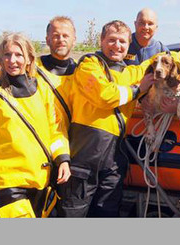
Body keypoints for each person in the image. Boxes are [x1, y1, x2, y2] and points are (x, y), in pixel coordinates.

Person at [57, 20, 153, 217]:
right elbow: (105, 95)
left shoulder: (130, 72)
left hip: (114, 158)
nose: (117, 46)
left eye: (122, 42)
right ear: (101, 41)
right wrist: (138, 90)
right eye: (111, 40)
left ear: (128, 45)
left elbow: (160, 59)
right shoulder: (89, 64)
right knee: (72, 214)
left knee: (107, 213)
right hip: (84, 156)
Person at [0, 33, 71, 218]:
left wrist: (63, 159)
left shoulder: (43, 90)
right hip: (7, 182)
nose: (12, 60)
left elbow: (55, 131)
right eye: (7, 55)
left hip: (41, 181)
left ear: (29, 59)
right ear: (0, 59)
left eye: (18, 54)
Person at [36, 16, 77, 136]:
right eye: (55, 36)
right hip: (43, 138)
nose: (61, 40)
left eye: (65, 36)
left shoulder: (81, 71)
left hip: (75, 140)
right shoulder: (32, 69)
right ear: (47, 40)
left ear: (74, 40)